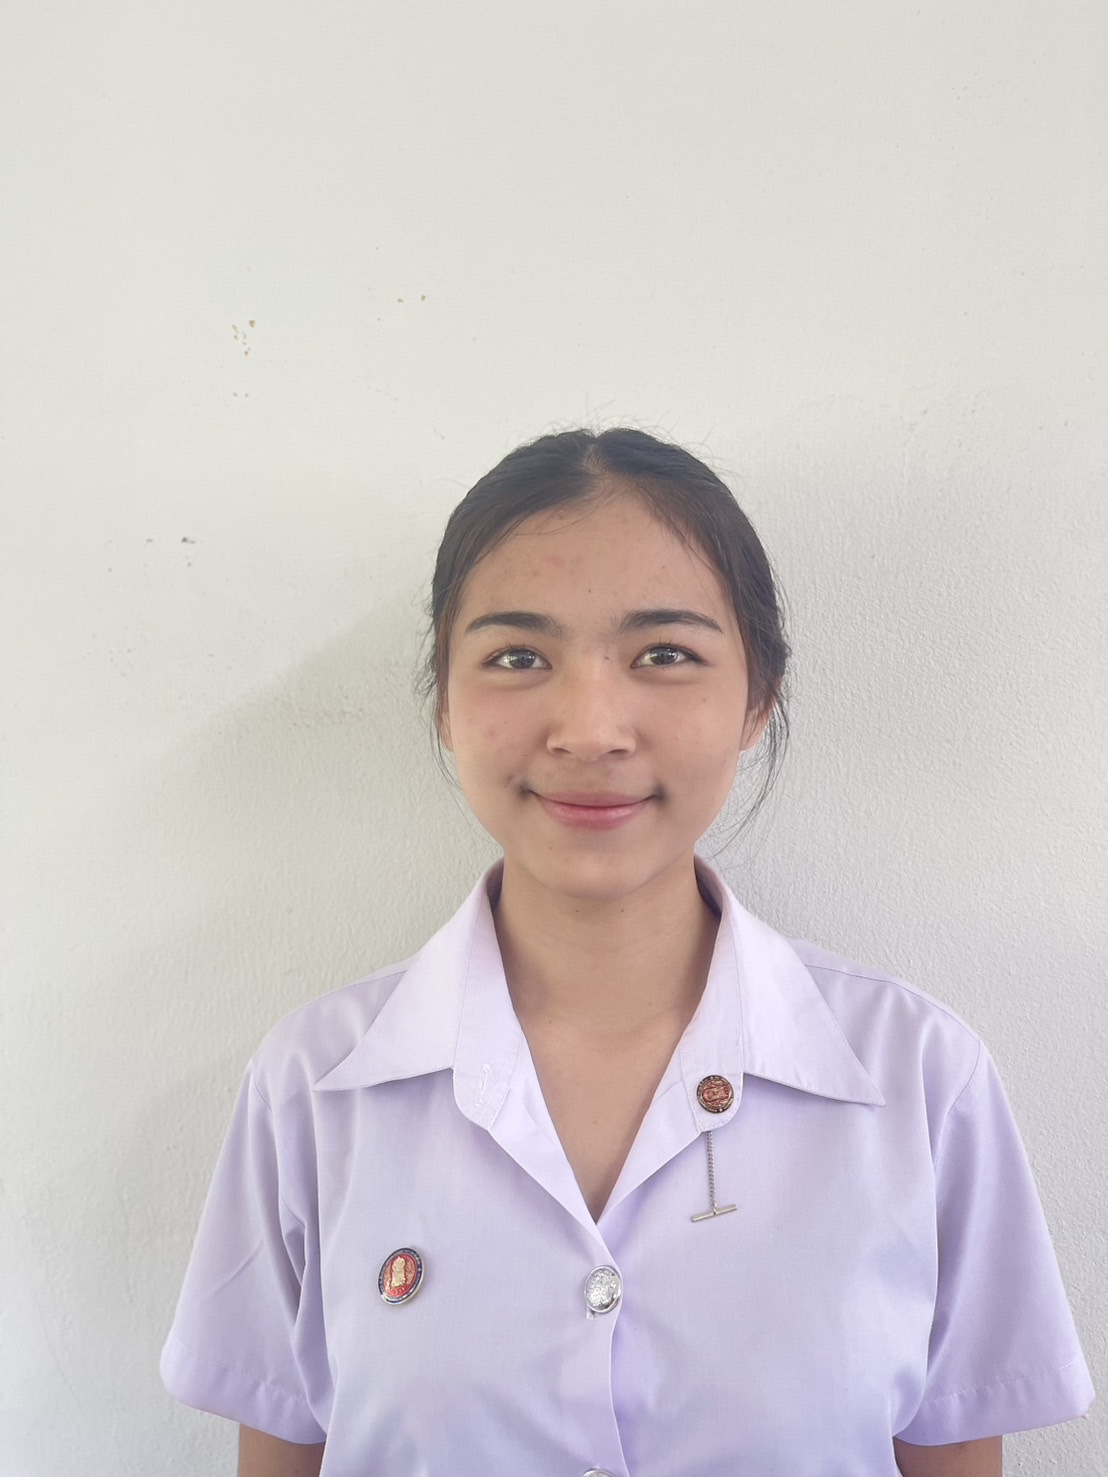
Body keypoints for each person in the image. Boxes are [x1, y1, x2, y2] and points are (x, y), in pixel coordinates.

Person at [161, 428, 1094, 1477]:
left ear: (757, 700)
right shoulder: (314, 1087)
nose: (591, 728)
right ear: (445, 702)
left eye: (664, 654)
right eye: (518, 657)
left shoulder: (918, 1079)